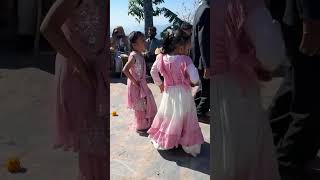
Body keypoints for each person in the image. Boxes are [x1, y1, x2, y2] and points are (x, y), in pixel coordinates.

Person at [212, 0, 287, 179]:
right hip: (240, 88)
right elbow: (271, 54)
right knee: (248, 157)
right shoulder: (248, 3)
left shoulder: (205, 7)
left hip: (217, 86)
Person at [40, 0, 108, 179]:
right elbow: (48, 28)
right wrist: (82, 68)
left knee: (104, 150)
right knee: (94, 152)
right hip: (82, 78)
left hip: (99, 76)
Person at [267, 0, 320, 178]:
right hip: (307, 17)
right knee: (311, 105)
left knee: (293, 91)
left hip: (296, 16)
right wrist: (311, 15)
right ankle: (285, 166)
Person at [147, 28, 204, 157]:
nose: (188, 49)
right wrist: (192, 81)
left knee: (170, 116)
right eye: (187, 46)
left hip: (169, 94)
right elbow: (195, 78)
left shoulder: (161, 57)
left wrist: (160, 84)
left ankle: (169, 140)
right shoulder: (185, 60)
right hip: (183, 94)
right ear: (179, 45)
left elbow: (153, 71)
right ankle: (187, 143)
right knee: (185, 118)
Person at [122, 31, 157, 134]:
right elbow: (125, 70)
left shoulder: (140, 54)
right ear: (134, 45)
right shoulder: (133, 56)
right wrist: (135, 82)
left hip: (141, 83)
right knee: (140, 105)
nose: (145, 42)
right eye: (142, 41)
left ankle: (146, 123)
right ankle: (141, 125)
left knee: (146, 101)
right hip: (136, 85)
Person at [191, 0, 210, 121]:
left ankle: (192, 107)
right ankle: (198, 114)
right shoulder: (208, 10)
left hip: (199, 58)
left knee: (205, 88)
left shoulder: (200, 8)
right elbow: (204, 40)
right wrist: (208, 65)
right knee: (208, 92)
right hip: (205, 60)